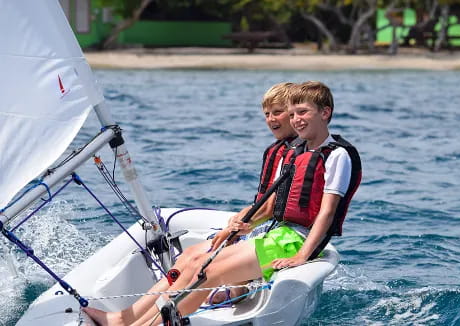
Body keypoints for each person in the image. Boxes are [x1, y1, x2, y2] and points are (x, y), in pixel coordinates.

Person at [84, 81, 361, 326]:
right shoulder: (297, 153)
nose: (294, 119)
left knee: (208, 270)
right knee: (194, 260)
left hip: (296, 240)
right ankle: (126, 320)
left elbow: (326, 212)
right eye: (292, 114)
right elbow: (272, 205)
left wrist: (301, 257)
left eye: (300, 113)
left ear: (324, 113)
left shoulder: (335, 155)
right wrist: (237, 226)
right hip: (279, 233)